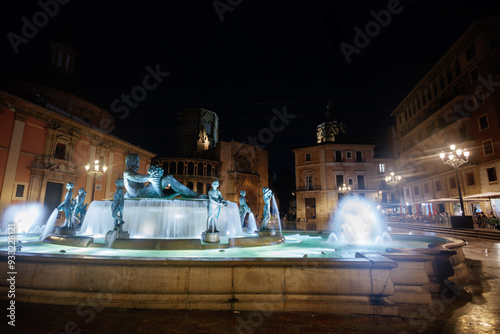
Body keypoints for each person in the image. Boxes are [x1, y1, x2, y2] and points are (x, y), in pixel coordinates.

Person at [123, 153, 199, 199]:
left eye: (138, 161)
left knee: (172, 183)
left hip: (144, 192)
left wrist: (151, 177)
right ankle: (194, 195)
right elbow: (137, 178)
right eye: (136, 161)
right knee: (169, 178)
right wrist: (150, 177)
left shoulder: (132, 172)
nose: (138, 163)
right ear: (130, 161)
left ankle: (190, 195)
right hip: (142, 194)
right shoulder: (127, 172)